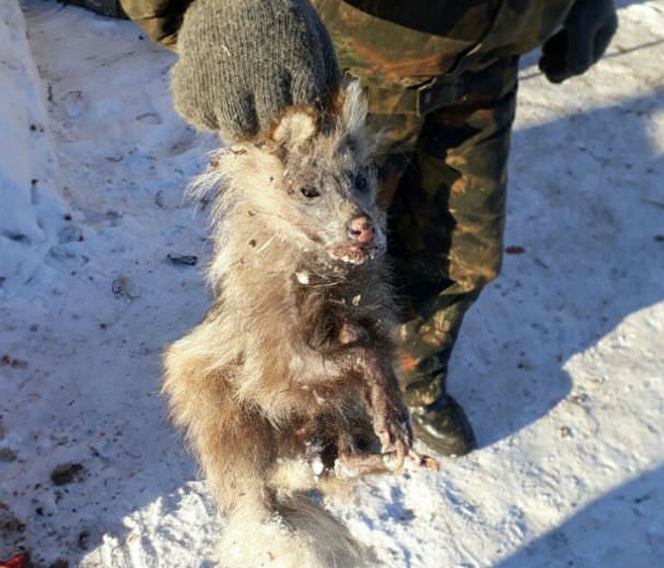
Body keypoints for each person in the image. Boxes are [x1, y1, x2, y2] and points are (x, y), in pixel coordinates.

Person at [66, 0, 617, 456]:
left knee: (463, 256)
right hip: (345, 66)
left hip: (492, 56)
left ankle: (411, 380)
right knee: (310, 272)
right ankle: (310, 405)